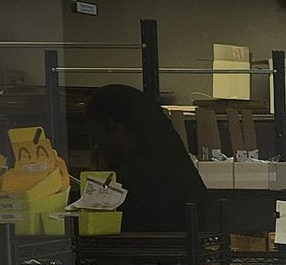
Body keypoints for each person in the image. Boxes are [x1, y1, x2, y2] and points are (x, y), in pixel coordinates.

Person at [79, 83, 208, 235]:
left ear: (109, 126)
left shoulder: (128, 183)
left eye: (93, 133)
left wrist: (100, 179)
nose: (94, 144)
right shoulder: (175, 166)